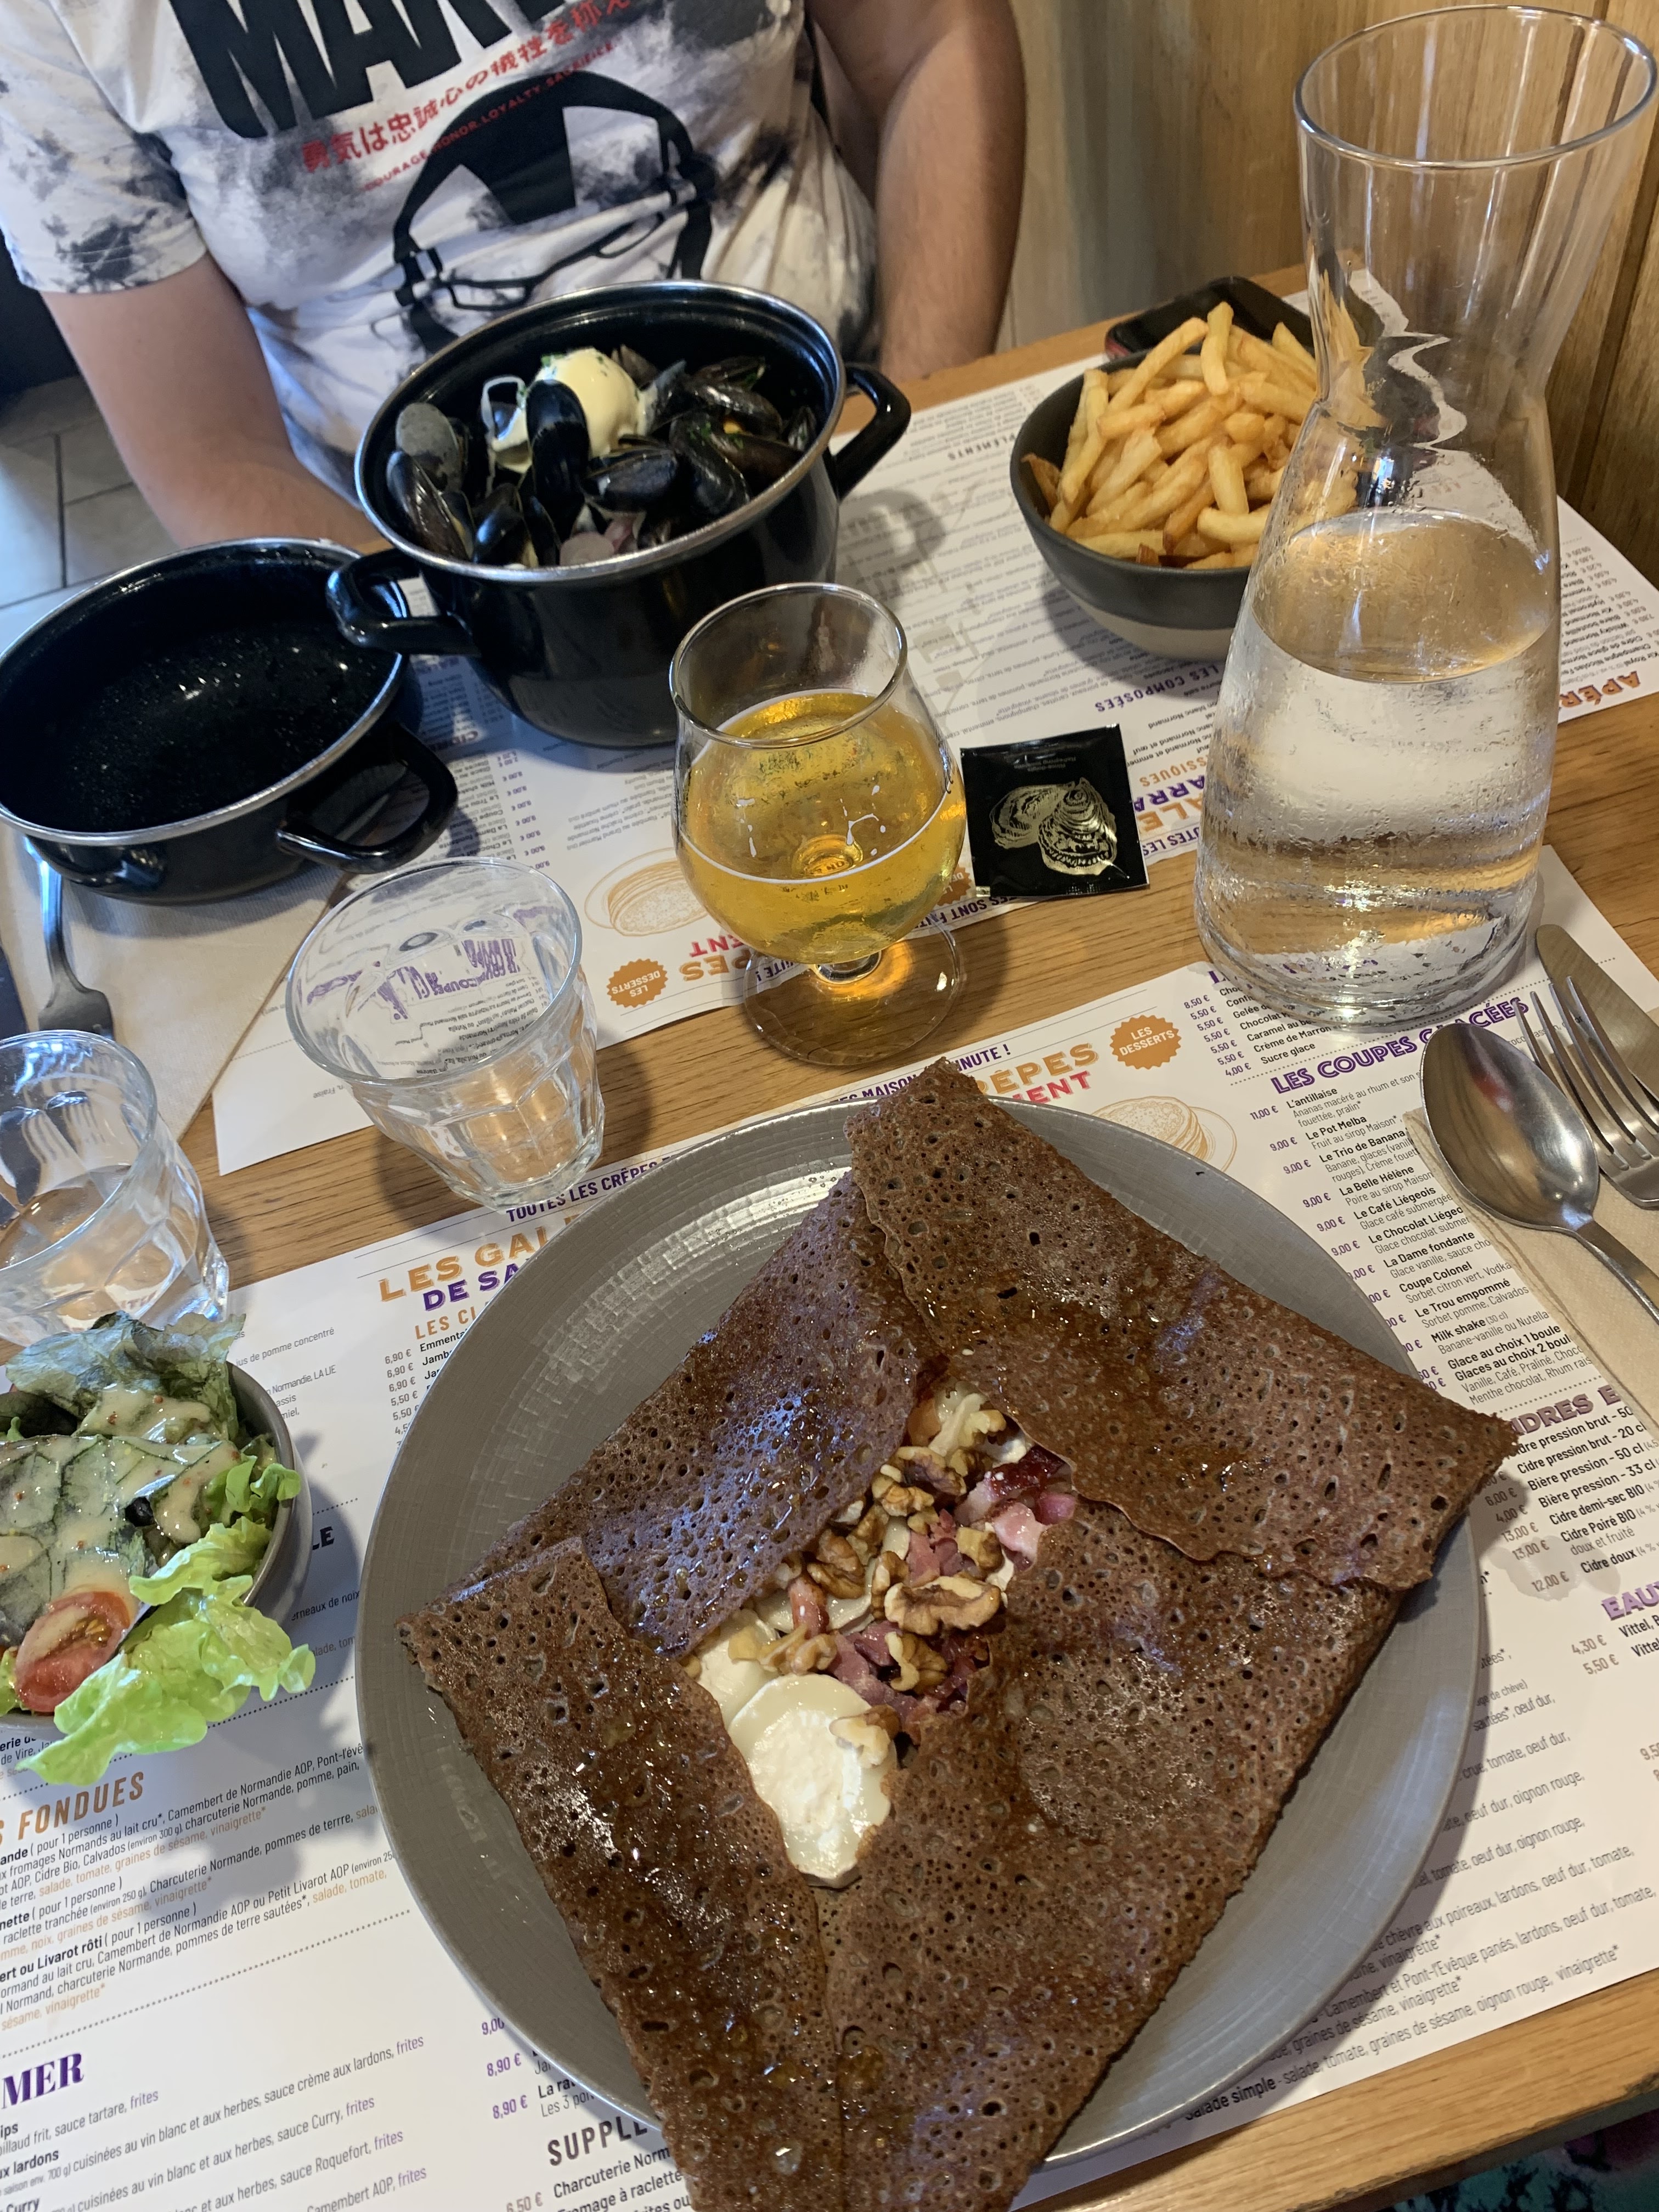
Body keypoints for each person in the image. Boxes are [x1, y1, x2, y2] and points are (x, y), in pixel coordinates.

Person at [0, 0, 1023, 552]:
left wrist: (920, 427)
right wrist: (464, 634)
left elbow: (934, 39)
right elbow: (210, 451)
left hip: (848, 436)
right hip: (425, 563)